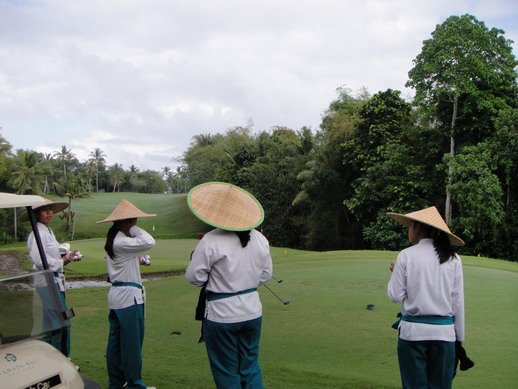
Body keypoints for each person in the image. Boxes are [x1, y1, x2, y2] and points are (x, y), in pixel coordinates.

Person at [186, 182, 273, 389]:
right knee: (250, 368)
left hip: (221, 315)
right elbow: (266, 275)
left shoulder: (211, 240)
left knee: (226, 372)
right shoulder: (260, 238)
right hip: (252, 311)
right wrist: (245, 283)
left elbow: (194, 278)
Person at [387, 206, 466, 389]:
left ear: (418, 228)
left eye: (410, 226)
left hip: (412, 334)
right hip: (444, 336)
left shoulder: (406, 255)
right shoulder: (454, 259)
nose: (408, 230)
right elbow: (458, 302)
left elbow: (395, 295)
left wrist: (395, 273)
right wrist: (459, 339)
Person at [97, 199, 157, 389]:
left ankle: (116, 382)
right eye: (134, 219)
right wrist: (133, 229)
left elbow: (124, 261)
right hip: (129, 298)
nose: (137, 222)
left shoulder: (114, 240)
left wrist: (138, 260)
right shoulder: (122, 240)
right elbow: (149, 241)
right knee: (132, 345)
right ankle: (135, 384)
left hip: (117, 297)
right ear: (127, 221)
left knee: (115, 343)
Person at [24, 199, 82, 357]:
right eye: (45, 210)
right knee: (60, 321)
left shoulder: (47, 231)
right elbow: (39, 259)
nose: (49, 213)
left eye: (50, 210)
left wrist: (67, 257)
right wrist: (62, 261)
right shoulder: (38, 233)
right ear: (36, 214)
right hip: (47, 282)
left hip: (54, 280)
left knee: (51, 321)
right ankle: (60, 359)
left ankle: (50, 357)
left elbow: (51, 256)